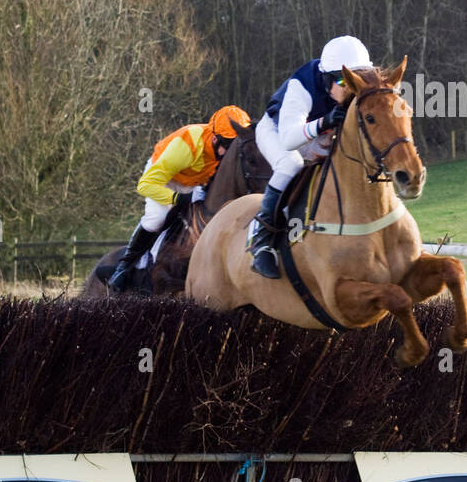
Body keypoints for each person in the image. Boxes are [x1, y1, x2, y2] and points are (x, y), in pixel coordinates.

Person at [248, 35, 372, 279]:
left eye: (356, 80)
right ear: (327, 79)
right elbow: (289, 139)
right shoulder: (301, 87)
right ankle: (261, 241)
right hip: (277, 131)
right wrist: (324, 122)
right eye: (342, 80)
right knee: (290, 163)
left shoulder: (345, 87)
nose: (351, 88)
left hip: (316, 132)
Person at [108, 104, 252, 292]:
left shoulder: (223, 150)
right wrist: (179, 198)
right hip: (163, 177)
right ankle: (124, 268)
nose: (230, 152)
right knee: (156, 219)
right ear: (215, 138)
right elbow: (145, 185)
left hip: (193, 181)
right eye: (228, 145)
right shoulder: (185, 146)